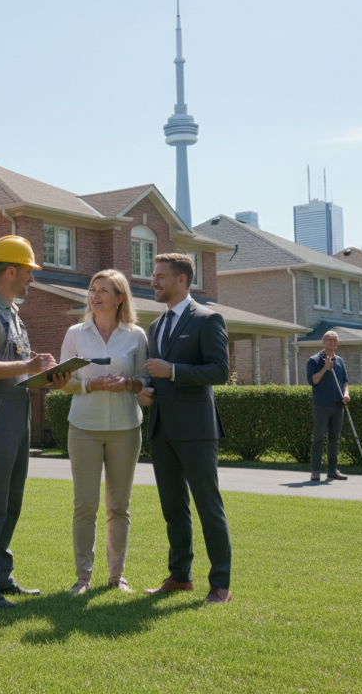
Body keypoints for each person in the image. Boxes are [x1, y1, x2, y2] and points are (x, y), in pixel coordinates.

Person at [0, 235, 70, 609]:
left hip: (15, 412)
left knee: (11, 500)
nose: (31, 280)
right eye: (28, 272)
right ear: (10, 270)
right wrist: (27, 365)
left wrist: (43, 373)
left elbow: (17, 368)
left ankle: (1, 576)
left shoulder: (12, 313)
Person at [139, 253, 234, 605]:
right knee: (173, 509)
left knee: (208, 506)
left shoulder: (208, 319)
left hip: (197, 430)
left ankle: (220, 584)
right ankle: (180, 577)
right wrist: (146, 390)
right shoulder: (156, 326)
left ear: (182, 280)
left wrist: (173, 371)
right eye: (154, 275)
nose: (154, 281)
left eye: (160, 276)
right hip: (161, 428)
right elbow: (155, 371)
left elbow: (219, 372)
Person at [58, 269, 149, 595]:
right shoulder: (75, 333)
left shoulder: (136, 336)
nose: (94, 295)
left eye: (103, 290)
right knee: (85, 505)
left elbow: (144, 380)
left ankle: (116, 577)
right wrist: (91, 384)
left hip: (126, 428)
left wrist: (131, 386)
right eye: (92, 289)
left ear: (119, 298)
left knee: (119, 506)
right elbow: (62, 380)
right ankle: (83, 579)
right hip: (83, 428)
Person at [306, 330, 351, 482]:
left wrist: (346, 394)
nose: (332, 343)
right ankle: (315, 471)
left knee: (334, 439)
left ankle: (332, 470)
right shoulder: (314, 361)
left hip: (338, 406)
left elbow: (345, 382)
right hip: (321, 406)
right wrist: (325, 368)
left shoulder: (340, 361)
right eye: (329, 340)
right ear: (323, 342)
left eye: (335, 341)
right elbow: (313, 381)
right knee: (318, 438)